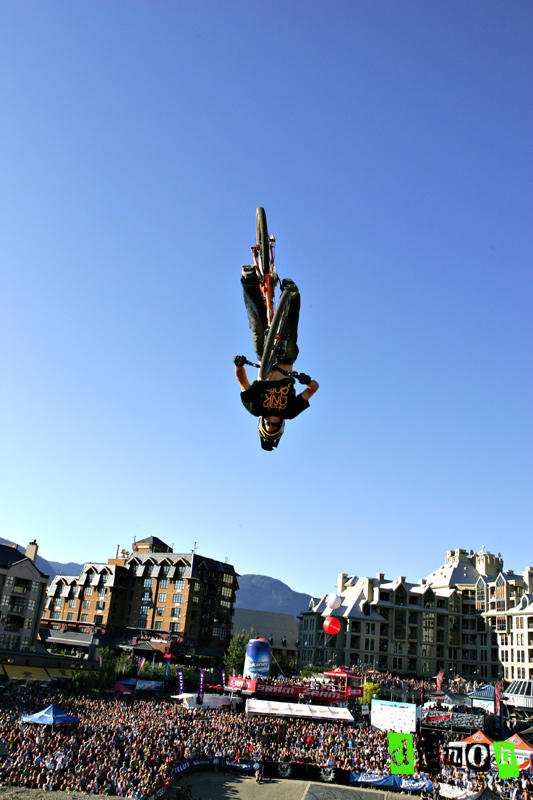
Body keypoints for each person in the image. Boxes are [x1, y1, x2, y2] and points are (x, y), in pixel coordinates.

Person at [234, 266, 318, 450]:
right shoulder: (290, 411)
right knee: (290, 333)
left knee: (256, 326)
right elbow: (314, 389)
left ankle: (249, 281)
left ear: (262, 424)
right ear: (281, 426)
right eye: (274, 426)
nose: (271, 424)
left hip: (263, 358)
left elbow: (242, 381)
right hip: (286, 361)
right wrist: (307, 381)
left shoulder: (254, 408)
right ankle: (292, 295)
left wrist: (238, 365)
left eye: (268, 426)